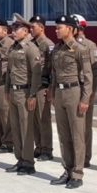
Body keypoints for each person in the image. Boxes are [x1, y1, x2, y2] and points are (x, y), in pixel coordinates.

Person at [49, 14, 93, 190]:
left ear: (70, 29)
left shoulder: (80, 49)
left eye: (59, 27)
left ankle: (77, 173)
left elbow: (88, 76)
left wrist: (85, 99)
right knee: (63, 135)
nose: (56, 30)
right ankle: (67, 170)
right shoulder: (57, 49)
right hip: (59, 93)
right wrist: (52, 93)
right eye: (56, 27)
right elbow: (53, 73)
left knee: (77, 135)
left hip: (74, 92)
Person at [5, 14, 42, 176]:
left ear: (26, 31)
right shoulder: (13, 47)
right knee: (15, 127)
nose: (13, 32)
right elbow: (9, 71)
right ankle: (19, 159)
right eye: (12, 28)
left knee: (26, 128)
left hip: (25, 92)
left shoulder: (31, 48)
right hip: (13, 91)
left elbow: (36, 73)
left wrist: (32, 95)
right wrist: (7, 90)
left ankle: (28, 162)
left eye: (16, 29)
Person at [72, 14, 97, 166]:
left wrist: (91, 92)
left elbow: (95, 71)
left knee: (85, 126)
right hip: (72, 89)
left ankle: (85, 157)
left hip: (84, 88)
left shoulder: (90, 45)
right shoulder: (68, 44)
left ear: (79, 28)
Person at [30, 15, 54, 161]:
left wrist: (50, 87)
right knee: (34, 119)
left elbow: (53, 68)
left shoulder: (47, 44)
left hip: (43, 86)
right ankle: (38, 146)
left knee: (43, 119)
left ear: (42, 28)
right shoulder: (31, 44)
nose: (31, 30)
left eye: (33, 27)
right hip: (32, 86)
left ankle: (47, 149)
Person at [0, 18, 14, 154]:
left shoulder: (11, 44)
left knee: (5, 113)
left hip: (4, 83)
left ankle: (8, 142)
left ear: (5, 31)